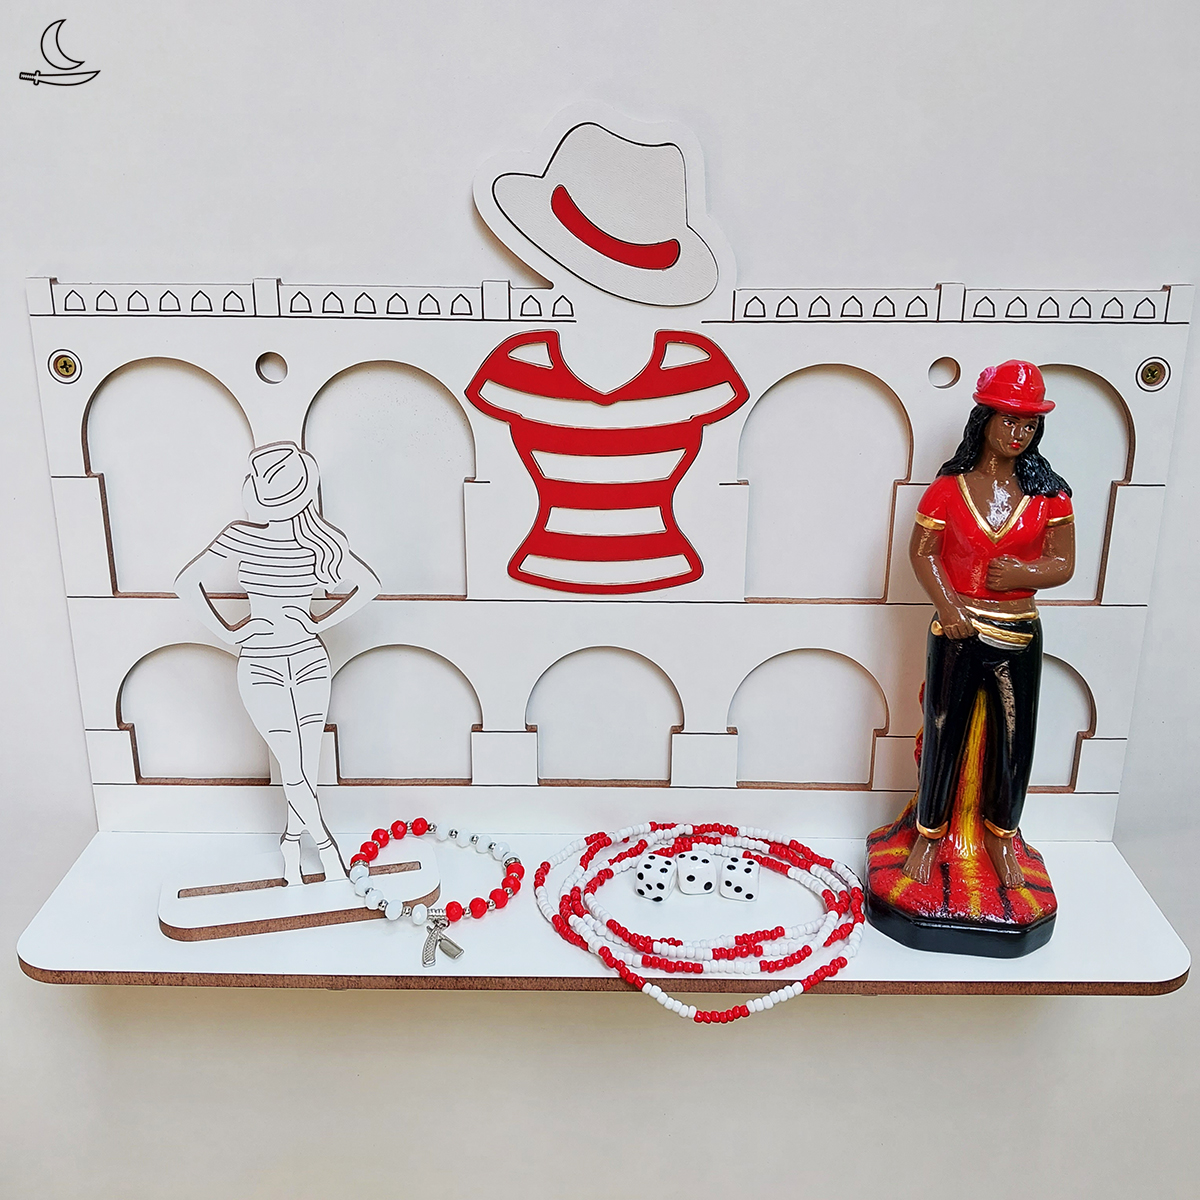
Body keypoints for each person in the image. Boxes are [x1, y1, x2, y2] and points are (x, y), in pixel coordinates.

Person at [175, 442, 380, 885]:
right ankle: (325, 847)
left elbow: (369, 585)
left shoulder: (320, 543)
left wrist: (319, 621)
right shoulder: (241, 537)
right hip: (262, 664)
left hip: (309, 660)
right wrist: (231, 633)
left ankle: (291, 842)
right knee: (293, 764)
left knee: (303, 765)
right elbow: (185, 583)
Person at [903, 361, 1075, 889]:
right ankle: (929, 834)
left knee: (1015, 739)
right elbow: (922, 552)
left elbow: (1063, 564)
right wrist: (949, 607)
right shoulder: (948, 489)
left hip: (1017, 630)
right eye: (1009, 421)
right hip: (957, 631)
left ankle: (1002, 836)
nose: (1018, 434)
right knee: (942, 731)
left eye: (1029, 425)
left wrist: (1025, 573)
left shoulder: (1050, 496)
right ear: (984, 421)